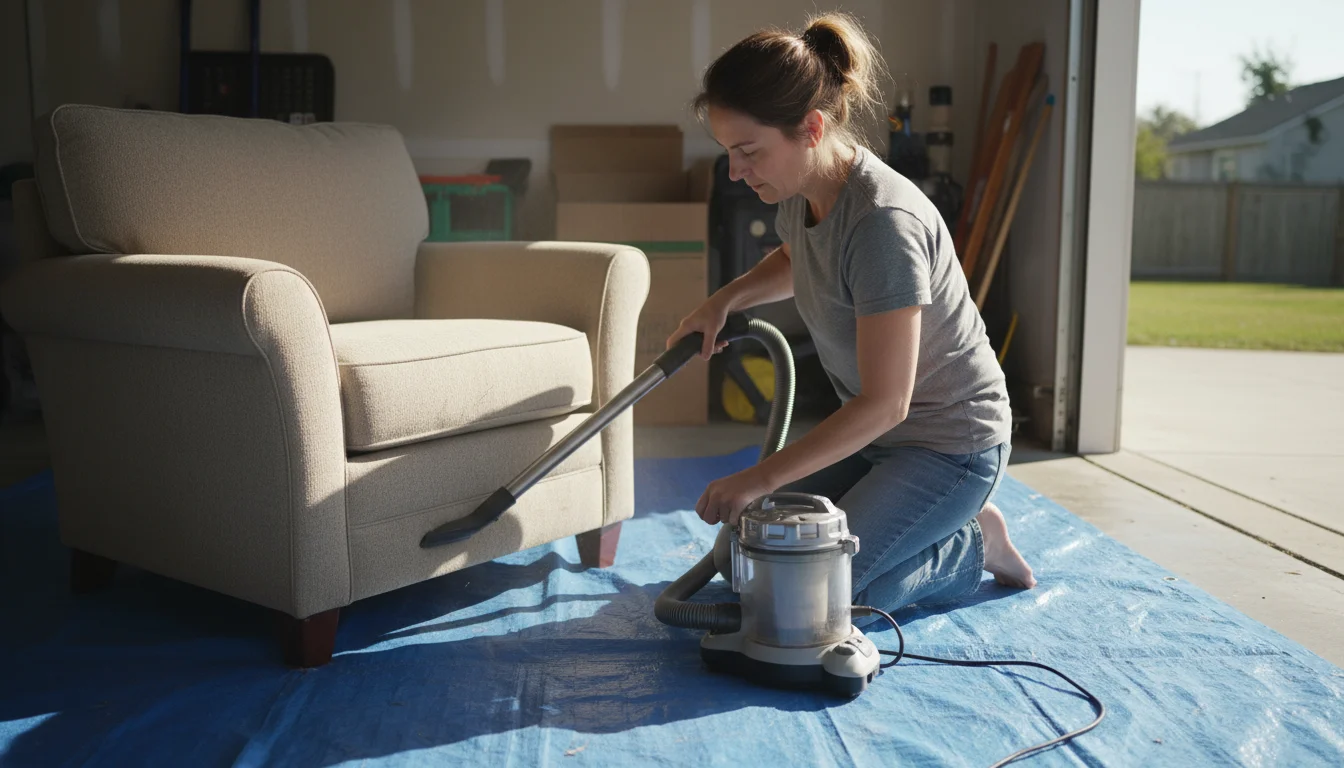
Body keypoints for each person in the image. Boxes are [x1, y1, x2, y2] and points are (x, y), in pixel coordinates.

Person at [666, 12, 1036, 619]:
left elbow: (887, 402)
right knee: (744, 558)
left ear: (810, 128)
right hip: (877, 441)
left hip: (949, 446)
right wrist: (721, 302)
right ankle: (928, 522)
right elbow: (796, 257)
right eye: (728, 152)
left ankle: (972, 543)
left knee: (822, 601)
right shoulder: (803, 192)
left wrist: (759, 479)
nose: (736, 171)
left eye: (748, 151)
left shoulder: (883, 225)